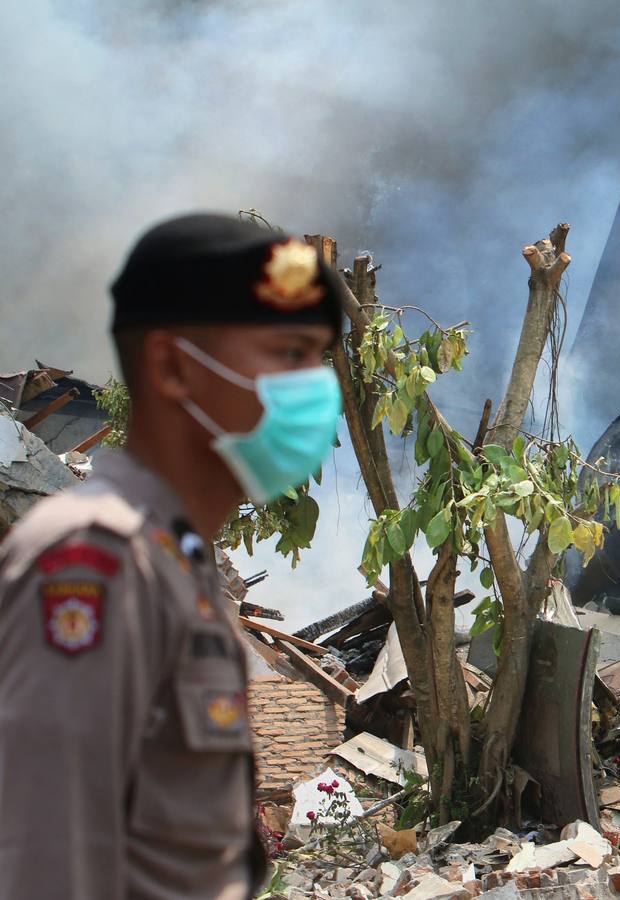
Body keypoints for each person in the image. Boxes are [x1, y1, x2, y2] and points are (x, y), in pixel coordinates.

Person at [0, 214, 345, 899]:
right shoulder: (92, 563)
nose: (307, 390)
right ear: (171, 366)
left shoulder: (175, 558)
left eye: (315, 358)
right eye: (282, 355)